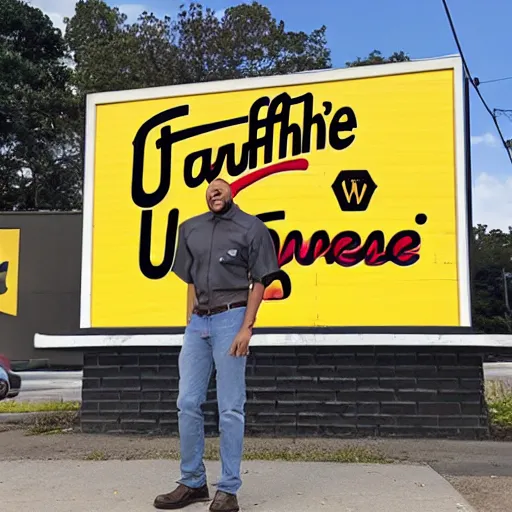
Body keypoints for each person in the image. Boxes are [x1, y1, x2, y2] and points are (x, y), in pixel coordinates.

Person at [154, 178, 279, 512]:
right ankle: (193, 481)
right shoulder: (190, 228)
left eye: (220, 189)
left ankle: (228, 490)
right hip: (199, 322)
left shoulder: (252, 228)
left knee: (230, 406)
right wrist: (189, 322)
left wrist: (246, 328)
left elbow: (260, 282)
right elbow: (190, 280)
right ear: (206, 196)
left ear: (231, 193)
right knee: (187, 402)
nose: (214, 193)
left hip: (231, 318)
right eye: (210, 190)